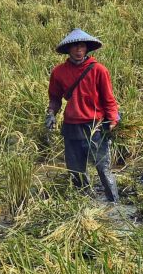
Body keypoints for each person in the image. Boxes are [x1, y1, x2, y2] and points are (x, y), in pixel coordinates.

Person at [46, 29, 120, 202]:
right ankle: (84, 206)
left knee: (103, 167)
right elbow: (55, 98)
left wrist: (112, 120)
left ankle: (114, 204)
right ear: (69, 49)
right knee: (76, 170)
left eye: (81, 46)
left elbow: (109, 99)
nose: (78, 50)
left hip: (94, 126)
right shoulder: (59, 72)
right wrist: (51, 114)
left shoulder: (99, 70)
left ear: (86, 48)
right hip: (71, 126)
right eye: (75, 47)